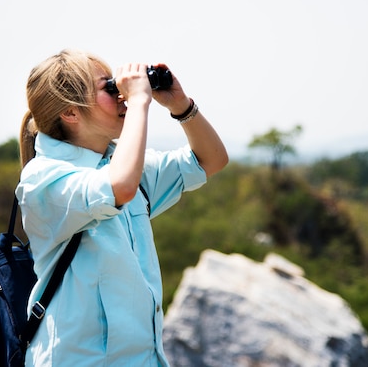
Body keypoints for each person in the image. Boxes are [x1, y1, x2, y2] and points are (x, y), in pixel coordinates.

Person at [15, 49, 228, 366]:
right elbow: (120, 187)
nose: (122, 97)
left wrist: (180, 107)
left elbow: (211, 160)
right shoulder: (44, 180)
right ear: (71, 114)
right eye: (109, 88)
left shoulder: (121, 164)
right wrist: (140, 102)